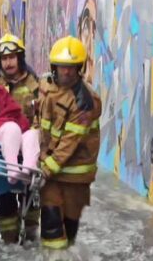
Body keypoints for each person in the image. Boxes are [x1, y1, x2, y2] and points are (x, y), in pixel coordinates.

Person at [37, 36, 101, 250]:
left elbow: (68, 143)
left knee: (69, 229)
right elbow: (40, 119)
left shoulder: (85, 101)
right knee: (51, 224)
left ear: (79, 67)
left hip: (74, 174)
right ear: (54, 66)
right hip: (52, 169)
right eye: (62, 67)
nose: (67, 72)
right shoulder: (47, 84)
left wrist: (46, 169)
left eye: (72, 67)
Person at [0, 33, 41, 243]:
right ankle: (9, 244)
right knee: (4, 197)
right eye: (4, 58)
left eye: (12, 57)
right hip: (2, 152)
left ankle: (31, 239)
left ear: (20, 57)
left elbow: (43, 118)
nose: (8, 62)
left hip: (28, 149)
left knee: (33, 197)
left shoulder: (35, 84)